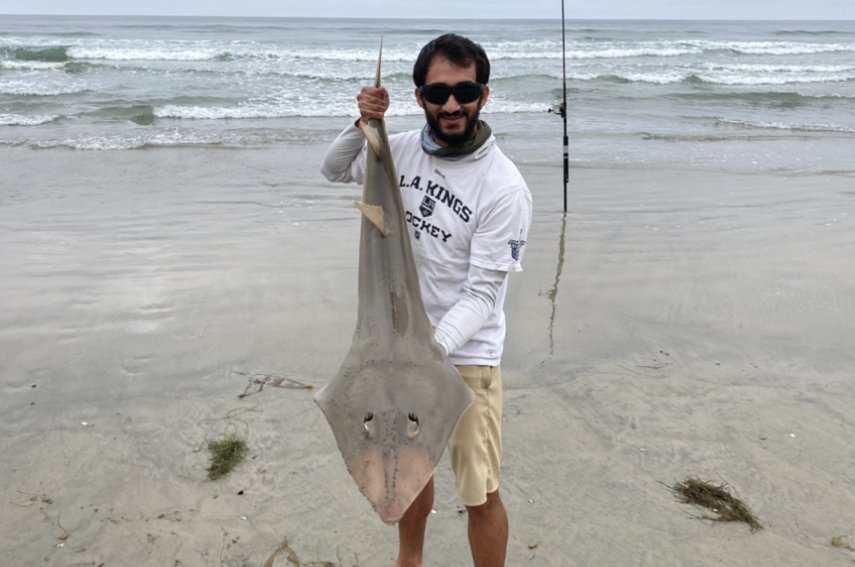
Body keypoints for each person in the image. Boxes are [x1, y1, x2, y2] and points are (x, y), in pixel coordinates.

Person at [321, 33, 532, 567]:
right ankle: (409, 561)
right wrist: (363, 123)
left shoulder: (504, 187)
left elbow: (482, 295)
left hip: (464, 360)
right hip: (397, 353)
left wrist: (424, 352)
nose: (452, 104)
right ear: (420, 97)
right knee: (407, 475)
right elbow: (332, 168)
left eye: (466, 90)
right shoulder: (403, 151)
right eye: (439, 93)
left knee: (479, 492)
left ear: (485, 94)